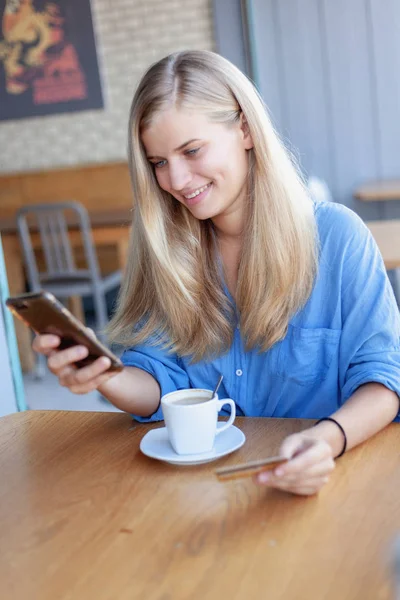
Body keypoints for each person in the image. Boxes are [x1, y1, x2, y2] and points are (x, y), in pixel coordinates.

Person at [33, 50, 400, 496]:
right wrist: (105, 375)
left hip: (330, 483)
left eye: (191, 151)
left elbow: (384, 380)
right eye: (159, 162)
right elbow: (157, 384)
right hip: (206, 494)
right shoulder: (163, 254)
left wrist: (327, 439)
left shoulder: (338, 237)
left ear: (244, 129)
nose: (177, 180)